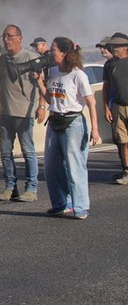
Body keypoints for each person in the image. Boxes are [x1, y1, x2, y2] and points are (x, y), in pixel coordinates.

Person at [37, 36, 101, 219]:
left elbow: (91, 102)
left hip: (73, 122)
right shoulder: (53, 71)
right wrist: (39, 83)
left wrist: (95, 129)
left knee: (75, 167)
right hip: (55, 120)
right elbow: (51, 99)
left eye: (53, 49)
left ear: (64, 53)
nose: (50, 53)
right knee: (51, 166)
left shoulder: (78, 75)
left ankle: (80, 206)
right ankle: (60, 203)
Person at [0, 24, 40, 202]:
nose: (6, 40)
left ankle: (31, 189)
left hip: (24, 113)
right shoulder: (2, 59)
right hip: (5, 114)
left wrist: (42, 107)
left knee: (28, 152)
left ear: (19, 38)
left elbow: (41, 84)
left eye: (10, 36)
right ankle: (10, 187)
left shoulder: (31, 58)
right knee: (6, 153)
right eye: (4, 37)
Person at [97, 32, 128, 184]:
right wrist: (106, 108)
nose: (113, 49)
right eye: (112, 46)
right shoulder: (109, 65)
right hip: (117, 106)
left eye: (116, 46)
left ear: (125, 47)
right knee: (122, 141)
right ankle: (126, 171)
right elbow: (106, 88)